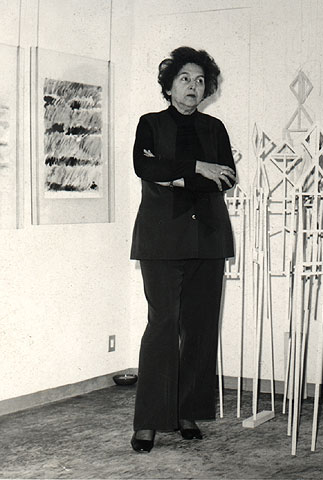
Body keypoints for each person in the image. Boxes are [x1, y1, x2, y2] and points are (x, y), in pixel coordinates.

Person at [129, 46, 237, 453]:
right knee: (162, 324)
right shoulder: (150, 124)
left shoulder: (215, 128)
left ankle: (188, 412)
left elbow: (226, 178)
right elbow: (145, 168)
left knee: (200, 327)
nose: (193, 86)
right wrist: (196, 168)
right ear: (170, 86)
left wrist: (173, 176)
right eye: (185, 79)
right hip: (161, 239)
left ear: (207, 89)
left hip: (208, 238)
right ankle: (149, 422)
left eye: (200, 80)